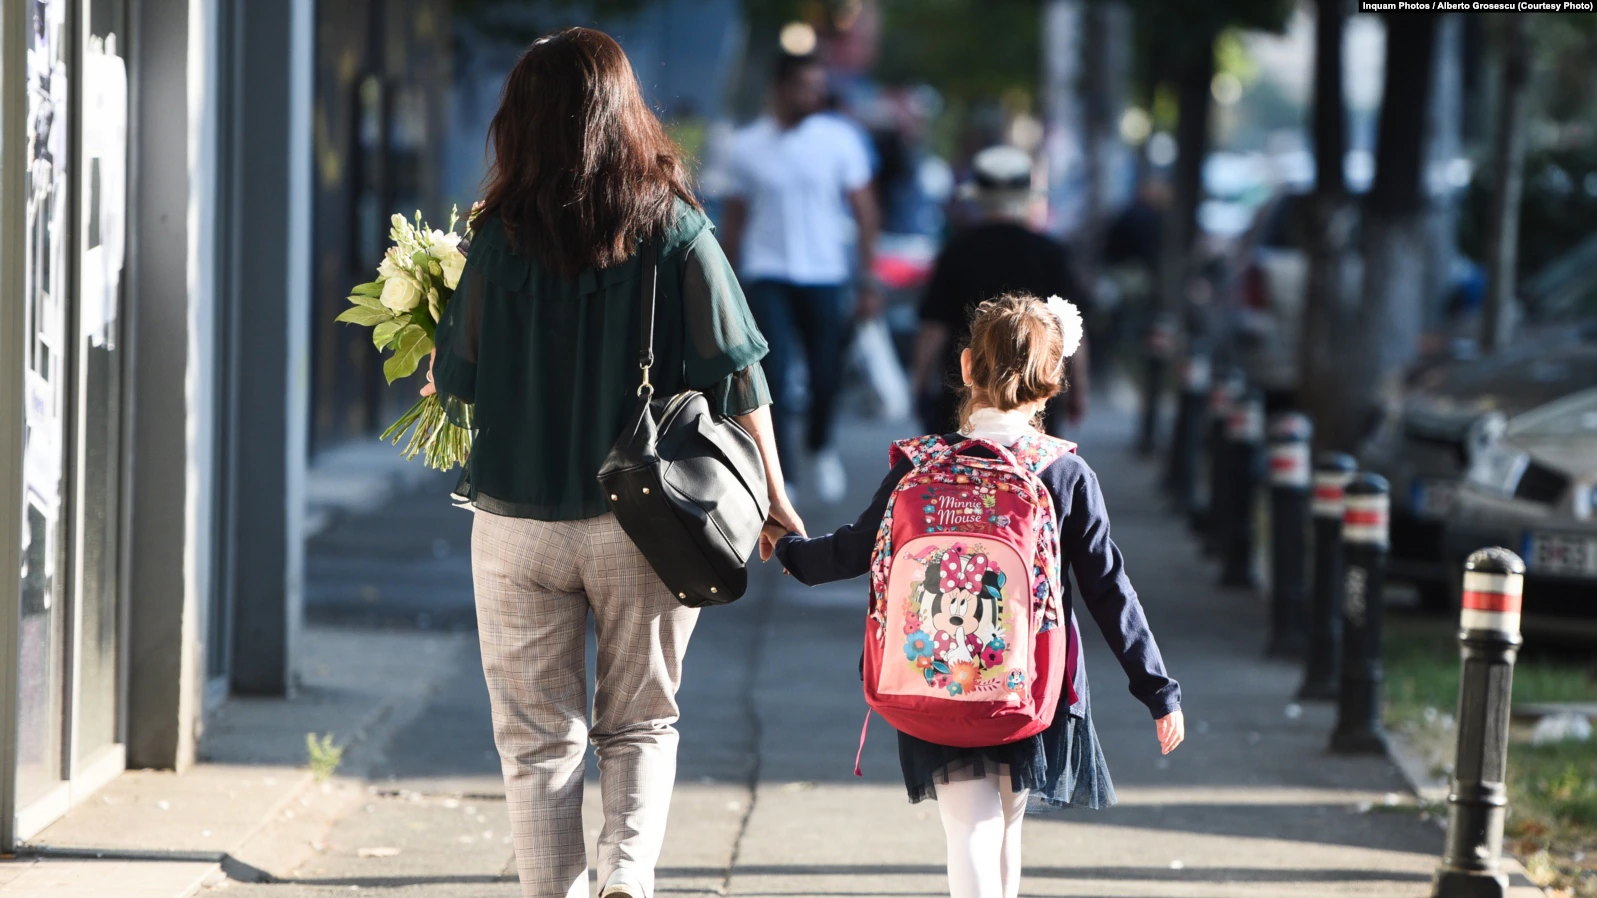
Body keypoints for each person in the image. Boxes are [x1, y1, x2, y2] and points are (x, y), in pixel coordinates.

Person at [426, 28, 802, 898]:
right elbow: (741, 377)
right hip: (646, 521)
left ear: (520, 122)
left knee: (535, 741)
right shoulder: (673, 229)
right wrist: (775, 500)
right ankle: (625, 879)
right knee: (638, 725)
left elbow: (459, 381)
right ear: (621, 113)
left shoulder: (494, 238)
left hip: (515, 521)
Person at [772, 294, 1184, 898]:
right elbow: (1108, 589)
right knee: (1008, 825)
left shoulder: (921, 467)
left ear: (966, 367)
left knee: (969, 826)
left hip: (930, 675)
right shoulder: (1064, 474)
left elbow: (855, 549)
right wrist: (1157, 690)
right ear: (1053, 384)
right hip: (1033, 685)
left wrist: (788, 548)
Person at [718, 51, 882, 504]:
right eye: (803, 86)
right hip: (767, 272)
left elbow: (865, 211)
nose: (812, 95)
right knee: (774, 377)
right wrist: (725, 288)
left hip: (826, 274)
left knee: (827, 374)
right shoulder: (746, 145)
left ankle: (819, 444)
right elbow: (734, 221)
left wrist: (868, 280)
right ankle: (782, 473)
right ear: (780, 89)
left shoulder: (839, 140)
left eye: (817, 86)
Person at [912, 145, 1090, 437]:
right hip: (1035, 392)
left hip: (964, 396)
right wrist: (1079, 387)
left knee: (959, 478)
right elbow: (1073, 331)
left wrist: (918, 384)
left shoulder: (957, 252)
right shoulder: (1051, 254)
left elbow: (934, 326)